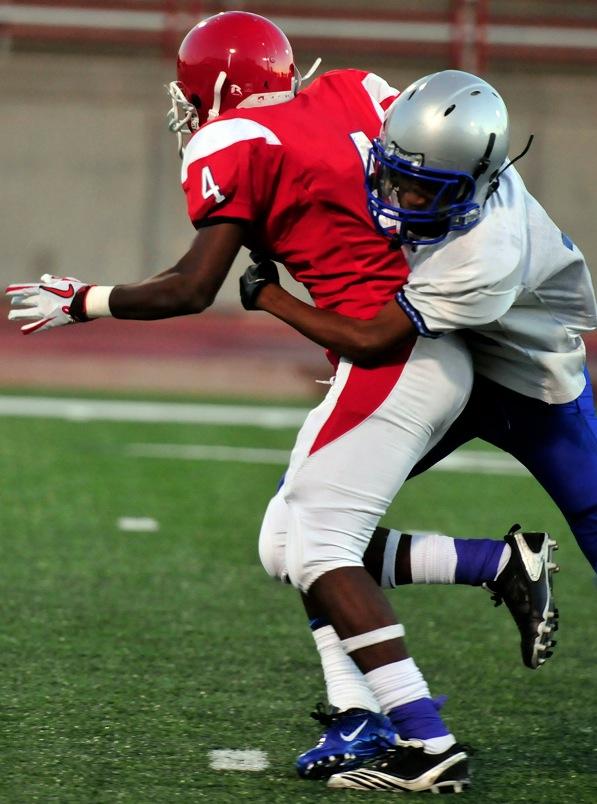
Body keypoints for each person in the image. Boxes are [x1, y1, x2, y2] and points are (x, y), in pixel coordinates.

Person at [5, 15, 555, 793]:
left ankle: (424, 740)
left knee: (322, 545)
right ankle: (473, 584)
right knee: (285, 543)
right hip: (425, 344)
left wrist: (84, 299)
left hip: (392, 354)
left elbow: (193, 286)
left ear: (218, 88)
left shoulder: (229, 138)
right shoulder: (353, 91)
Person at [238, 68, 597, 790]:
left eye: (419, 192)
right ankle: (373, 699)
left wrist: (269, 295)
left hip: (526, 382)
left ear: (472, 183)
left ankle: (399, 728)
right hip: (450, 369)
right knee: (297, 526)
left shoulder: (481, 251)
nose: (399, 200)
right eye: (393, 178)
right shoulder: (425, 149)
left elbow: (373, 339)